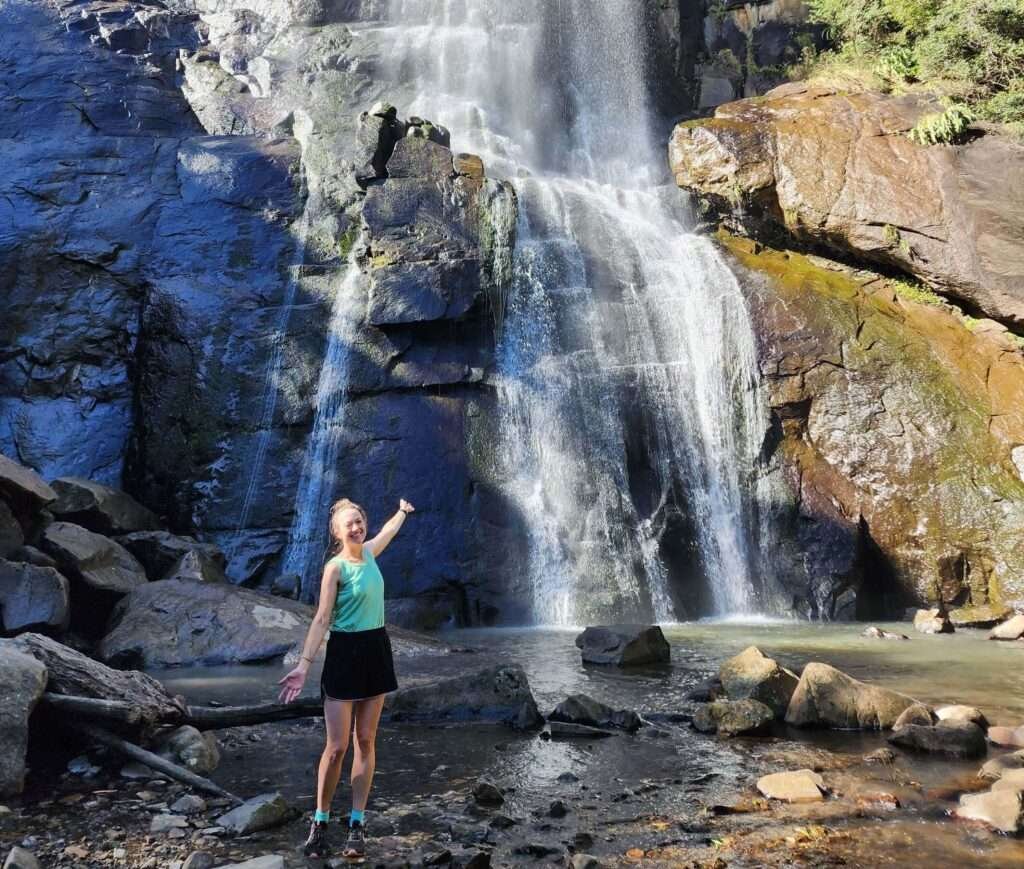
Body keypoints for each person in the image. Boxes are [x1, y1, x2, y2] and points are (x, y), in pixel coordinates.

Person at [278, 496, 415, 859]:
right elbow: (322, 618)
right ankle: (320, 821)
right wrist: (304, 665)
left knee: (366, 741)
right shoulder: (335, 568)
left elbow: (388, 530)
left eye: (359, 521)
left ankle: (356, 823)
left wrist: (402, 511)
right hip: (343, 653)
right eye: (349, 524)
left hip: (376, 651)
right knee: (337, 746)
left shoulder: (370, 552)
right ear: (337, 532)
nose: (357, 527)